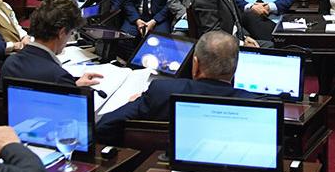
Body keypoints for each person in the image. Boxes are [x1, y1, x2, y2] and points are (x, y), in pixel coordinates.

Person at [95, 31, 255, 145]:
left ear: (196, 64)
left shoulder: (161, 92)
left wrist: (135, 105)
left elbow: (104, 127)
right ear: (235, 67)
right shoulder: (255, 103)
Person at [0, 0, 103, 89]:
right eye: (70, 33)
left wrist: (72, 85)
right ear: (62, 33)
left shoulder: (10, 63)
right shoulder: (58, 77)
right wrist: (69, 86)